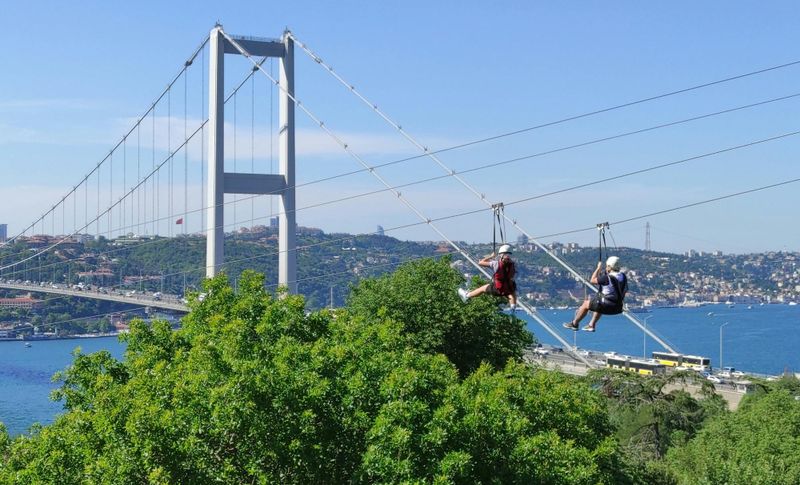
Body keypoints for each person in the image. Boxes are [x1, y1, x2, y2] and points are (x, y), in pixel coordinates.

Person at [563, 256, 627, 332]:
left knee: (586, 304)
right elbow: (623, 289)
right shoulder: (623, 276)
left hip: (606, 305)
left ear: (609, 266)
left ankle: (574, 323)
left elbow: (592, 280)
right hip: (618, 307)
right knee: (598, 301)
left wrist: (598, 268)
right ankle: (591, 325)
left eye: (607, 266)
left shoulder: (606, 278)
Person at [458, 244, 517, 309]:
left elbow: (480, 262)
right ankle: (513, 306)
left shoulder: (495, 264)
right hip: (507, 289)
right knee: (511, 292)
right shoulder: (513, 265)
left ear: (501, 255)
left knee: (483, 288)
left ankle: (467, 296)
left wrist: (490, 256)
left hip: (497, 289)